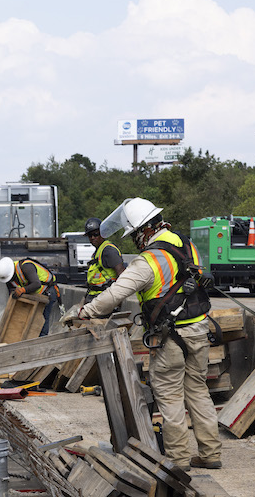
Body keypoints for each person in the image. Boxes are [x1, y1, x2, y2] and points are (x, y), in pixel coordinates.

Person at [77, 198, 222, 471]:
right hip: (199, 329)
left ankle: (179, 460)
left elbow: (115, 294)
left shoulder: (149, 260)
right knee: (198, 391)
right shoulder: (186, 244)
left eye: (134, 235)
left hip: (170, 337)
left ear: (143, 230)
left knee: (169, 396)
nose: (134, 241)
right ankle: (211, 453)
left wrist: (87, 311)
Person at [0, 256, 61, 336]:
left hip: (48, 291)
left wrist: (23, 290)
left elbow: (37, 284)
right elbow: (11, 292)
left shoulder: (26, 267)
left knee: (42, 318)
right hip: (35, 294)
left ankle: (41, 340)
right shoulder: (8, 277)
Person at [84, 216, 125, 299]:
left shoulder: (108, 250)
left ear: (102, 233)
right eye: (90, 235)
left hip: (105, 298)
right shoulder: (97, 252)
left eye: (96, 234)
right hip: (95, 297)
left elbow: (122, 274)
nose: (92, 238)